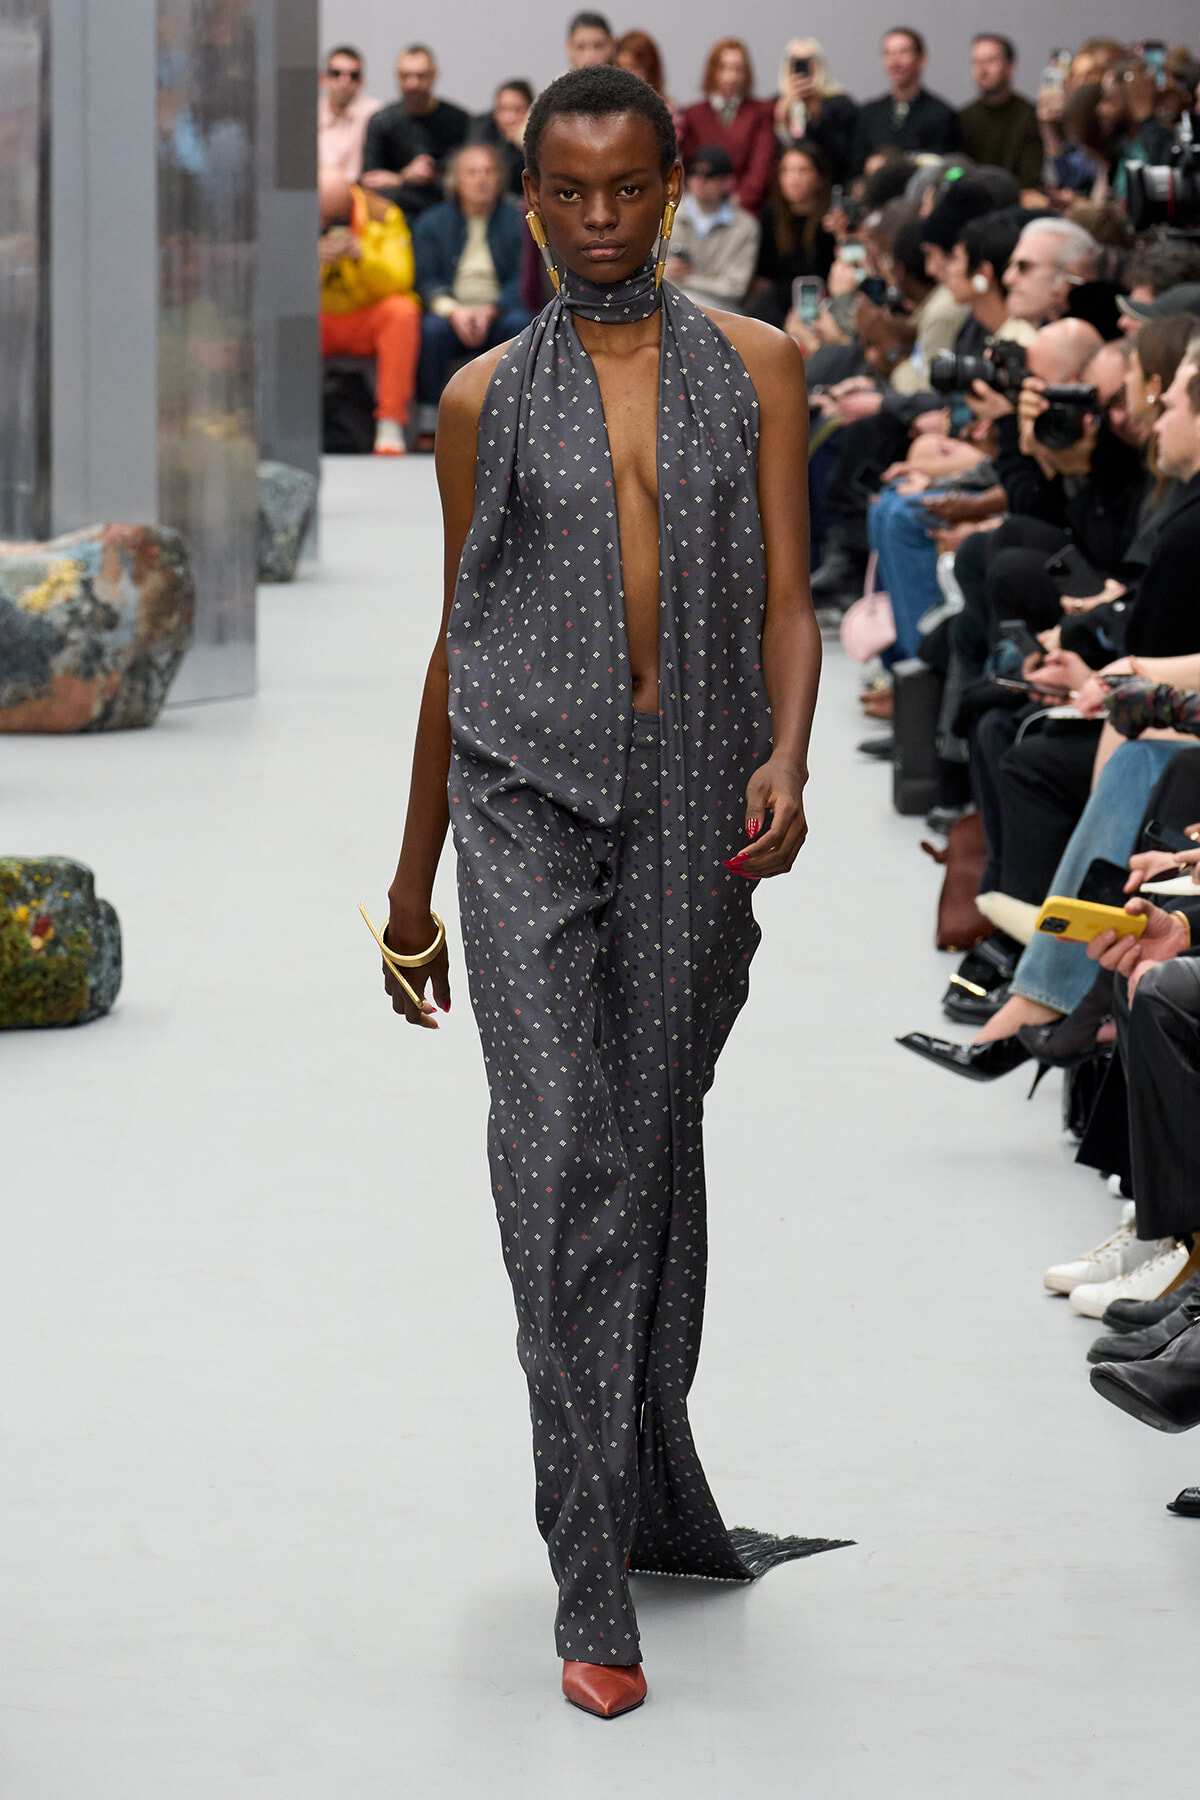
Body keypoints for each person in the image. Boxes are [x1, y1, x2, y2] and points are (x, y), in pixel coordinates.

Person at [373, 64, 830, 1719]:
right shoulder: (485, 394)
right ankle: (588, 1569)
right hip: (523, 806)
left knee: (645, 1152)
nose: (597, 220)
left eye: (627, 188)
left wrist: (791, 756)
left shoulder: (762, 367)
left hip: (701, 802)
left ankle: (644, 1488)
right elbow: (454, 638)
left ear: (672, 188)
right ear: (533, 195)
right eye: (567, 193)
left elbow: (795, 598)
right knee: (557, 1152)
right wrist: (410, 883)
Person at [411, 143, 532, 441]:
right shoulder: (432, 222)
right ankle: (428, 422)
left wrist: (494, 307)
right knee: (431, 330)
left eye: (489, 172)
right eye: (472, 172)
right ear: (456, 180)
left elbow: (524, 278)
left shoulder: (518, 220)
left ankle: (515, 419)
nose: (481, 179)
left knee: (522, 325)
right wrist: (454, 310)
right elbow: (425, 280)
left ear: (499, 178)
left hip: (500, 311)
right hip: (453, 312)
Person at [319, 179, 420, 456]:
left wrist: (361, 255)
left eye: (335, 217)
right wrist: (310, 259)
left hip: (365, 318)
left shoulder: (383, 213)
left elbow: (401, 280)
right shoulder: (294, 211)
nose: (328, 224)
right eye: (323, 219)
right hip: (317, 320)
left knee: (402, 311)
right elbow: (281, 286)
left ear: (350, 202)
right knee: (283, 319)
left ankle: (390, 424)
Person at [360, 44, 470, 223]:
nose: (413, 84)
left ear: (434, 75)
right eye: (405, 76)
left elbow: (466, 178)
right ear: (397, 76)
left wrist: (396, 179)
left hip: (448, 216)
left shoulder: (459, 120)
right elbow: (370, 181)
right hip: (394, 217)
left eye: (421, 76)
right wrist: (404, 177)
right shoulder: (381, 121)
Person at [678, 38, 777, 215]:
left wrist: (739, 200)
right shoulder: (693, 114)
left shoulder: (761, 112)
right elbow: (691, 166)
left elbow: (761, 166)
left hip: (746, 210)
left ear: (746, 73)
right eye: (724, 67)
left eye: (738, 69)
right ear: (712, 71)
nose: (731, 76)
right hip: (701, 207)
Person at [664, 145, 760, 313]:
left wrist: (683, 279)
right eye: (694, 172)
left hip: (724, 311)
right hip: (669, 305)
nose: (700, 180)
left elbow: (734, 288)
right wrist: (663, 270)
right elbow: (645, 270)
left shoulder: (745, 226)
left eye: (709, 174)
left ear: (728, 182)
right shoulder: (667, 214)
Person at [851, 28, 961, 173]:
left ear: (921, 59)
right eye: (888, 53)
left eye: (903, 53)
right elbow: (853, 170)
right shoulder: (868, 114)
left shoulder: (942, 115)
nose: (894, 62)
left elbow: (945, 167)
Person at [749, 142, 834, 328]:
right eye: (786, 171)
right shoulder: (772, 215)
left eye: (803, 171)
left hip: (824, 305)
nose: (793, 179)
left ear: (819, 177)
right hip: (780, 305)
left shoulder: (832, 219)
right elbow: (765, 274)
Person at [957, 34, 1042, 188]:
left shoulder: (1031, 117)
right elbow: (956, 172)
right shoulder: (962, 118)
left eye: (990, 61)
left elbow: (1031, 178)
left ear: (1010, 66)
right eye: (976, 62)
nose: (982, 70)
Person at [772, 38, 858, 185]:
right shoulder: (776, 104)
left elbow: (843, 156)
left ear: (819, 65)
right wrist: (782, 118)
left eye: (808, 62)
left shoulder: (840, 105)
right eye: (796, 62)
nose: (802, 68)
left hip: (830, 184)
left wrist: (817, 115)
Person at [318, 45, 381, 215]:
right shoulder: (309, 116)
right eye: (336, 73)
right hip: (317, 199)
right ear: (322, 78)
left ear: (362, 82)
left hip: (361, 200)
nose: (344, 81)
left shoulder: (374, 114)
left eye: (353, 76)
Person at [468, 80, 534, 197]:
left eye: (518, 110)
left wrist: (521, 141)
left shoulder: (540, 137)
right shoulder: (481, 132)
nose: (510, 118)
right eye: (504, 110)